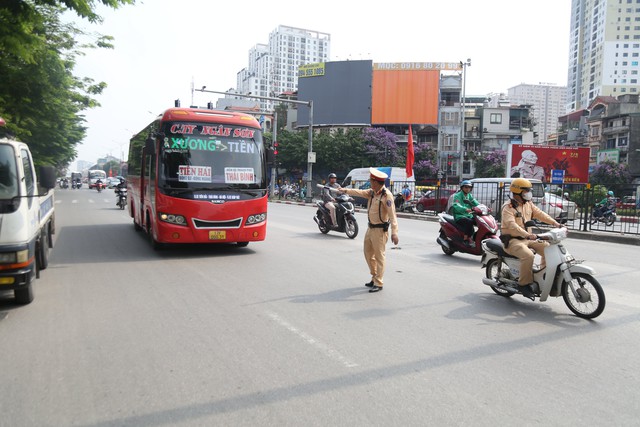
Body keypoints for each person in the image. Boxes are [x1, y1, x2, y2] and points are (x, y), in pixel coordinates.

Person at [500, 177, 563, 301]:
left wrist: (556, 224)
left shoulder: (528, 204)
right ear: (517, 192)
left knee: (549, 249)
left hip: (528, 238)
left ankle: (543, 277)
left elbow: (540, 214)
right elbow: (512, 225)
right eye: (526, 191)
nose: (529, 193)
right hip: (513, 240)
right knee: (528, 256)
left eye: (529, 190)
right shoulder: (508, 207)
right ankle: (523, 284)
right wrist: (527, 234)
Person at [339, 168, 399, 293]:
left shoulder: (386, 195)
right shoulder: (372, 192)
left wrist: (394, 232)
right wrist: (344, 190)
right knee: (368, 254)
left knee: (379, 257)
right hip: (370, 228)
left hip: (380, 231)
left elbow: (393, 216)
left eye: (371, 181)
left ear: (376, 182)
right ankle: (374, 276)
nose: (370, 183)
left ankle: (379, 282)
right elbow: (358, 192)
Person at [450, 180, 480, 246]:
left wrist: (483, 208)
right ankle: (465, 239)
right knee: (469, 222)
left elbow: (476, 203)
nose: (467, 189)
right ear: (462, 188)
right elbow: (456, 205)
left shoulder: (470, 196)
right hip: (459, 216)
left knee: (479, 221)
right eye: (466, 187)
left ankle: (475, 237)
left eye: (469, 187)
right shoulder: (457, 195)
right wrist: (466, 209)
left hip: (469, 215)